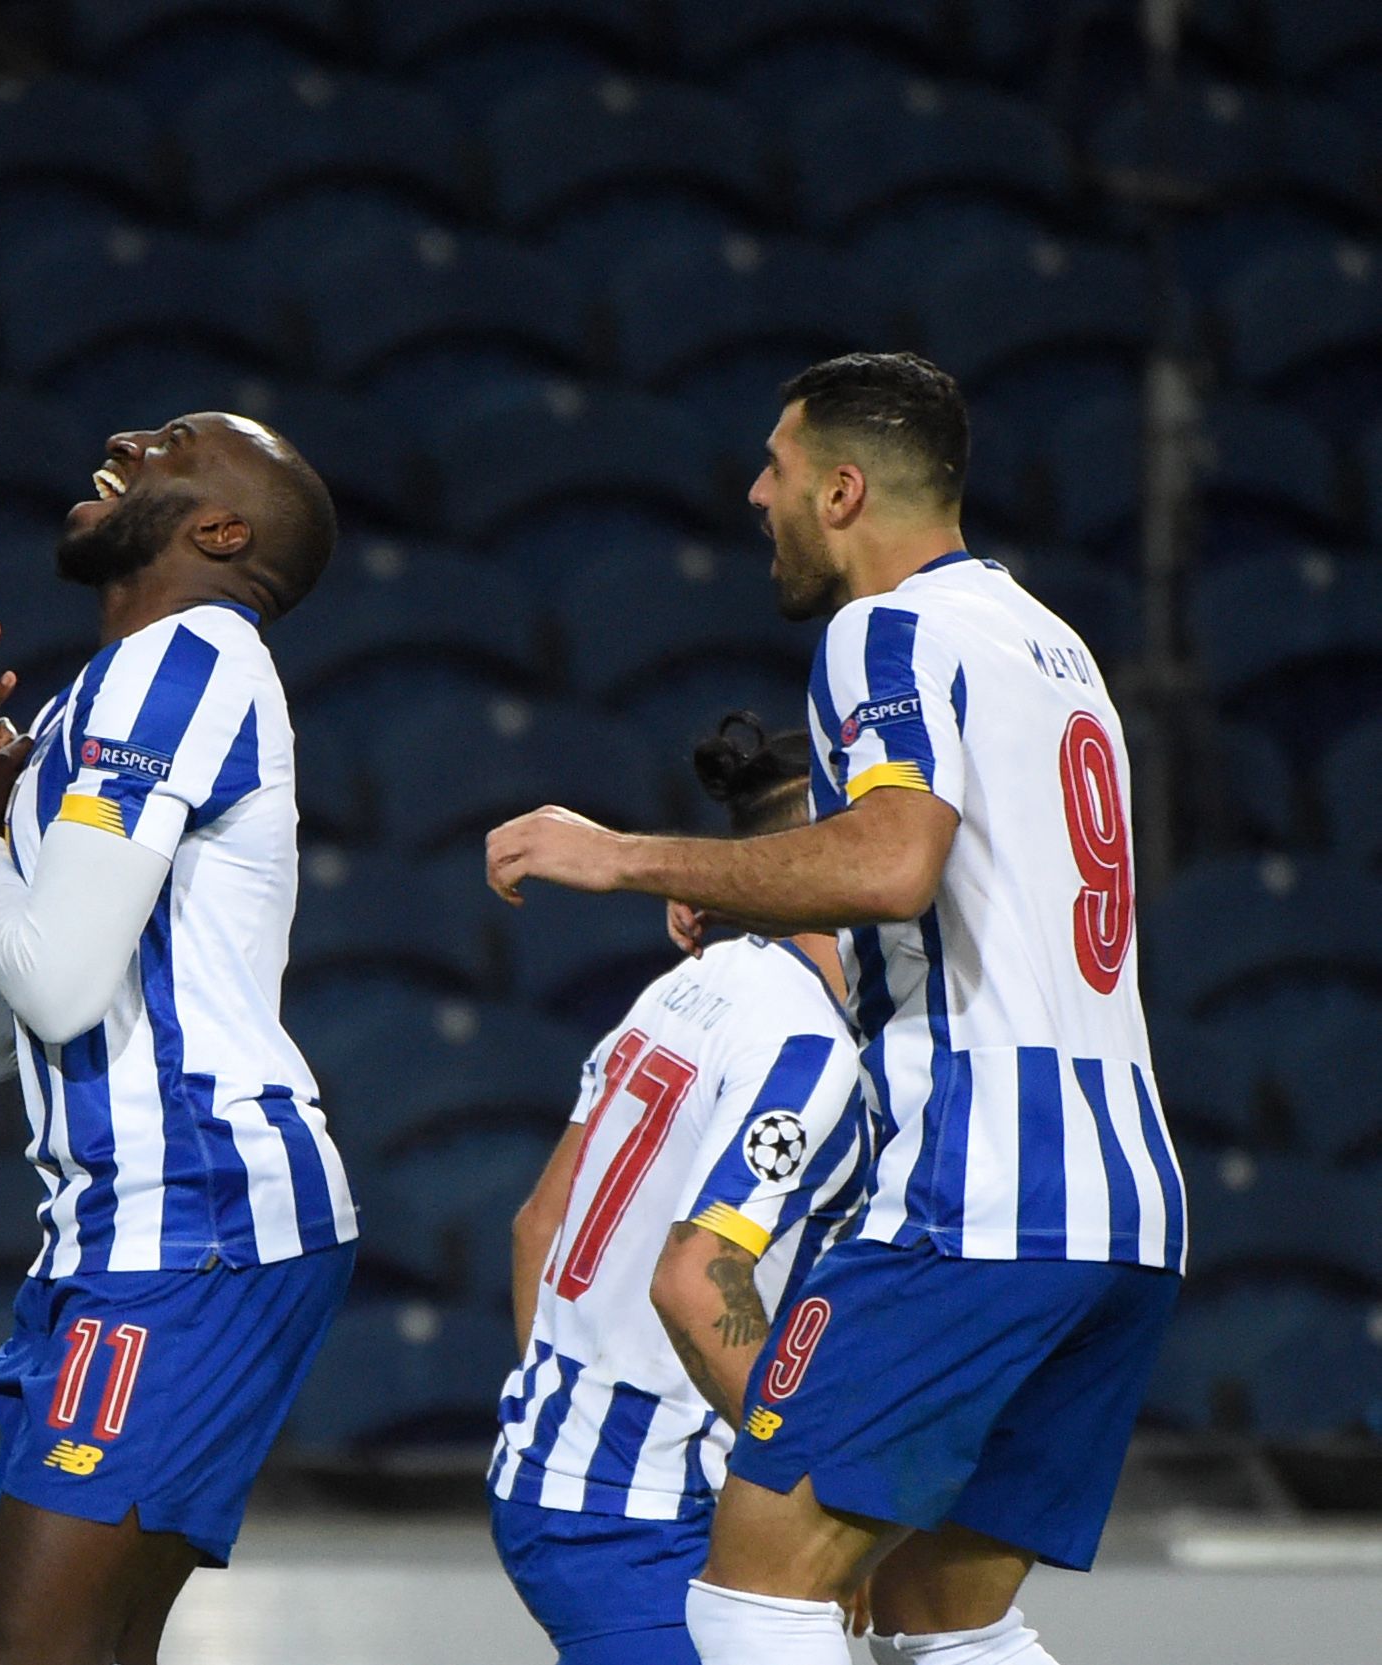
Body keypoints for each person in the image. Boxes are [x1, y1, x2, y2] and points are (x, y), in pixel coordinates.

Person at [484, 352, 1184, 1665]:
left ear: (845, 492)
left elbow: (887, 859)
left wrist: (624, 854)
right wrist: (746, 894)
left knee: (751, 1593)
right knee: (945, 1617)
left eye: (778, 469)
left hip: (975, 1193)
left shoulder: (886, 628)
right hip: (1122, 1199)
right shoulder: (1053, 645)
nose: (757, 495)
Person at [0, 413, 356, 1665]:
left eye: (176, 442)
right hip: (122, 1234)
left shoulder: (192, 660)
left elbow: (50, 990)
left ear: (221, 532)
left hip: (195, 1222)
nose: (124, 438)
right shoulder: (91, 704)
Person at [491, 714, 871, 1665]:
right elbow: (695, 1285)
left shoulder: (682, 986)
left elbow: (537, 1224)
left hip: (558, 1477)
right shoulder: (805, 1046)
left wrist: (569, 1423)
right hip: (645, 1514)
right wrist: (822, 1506)